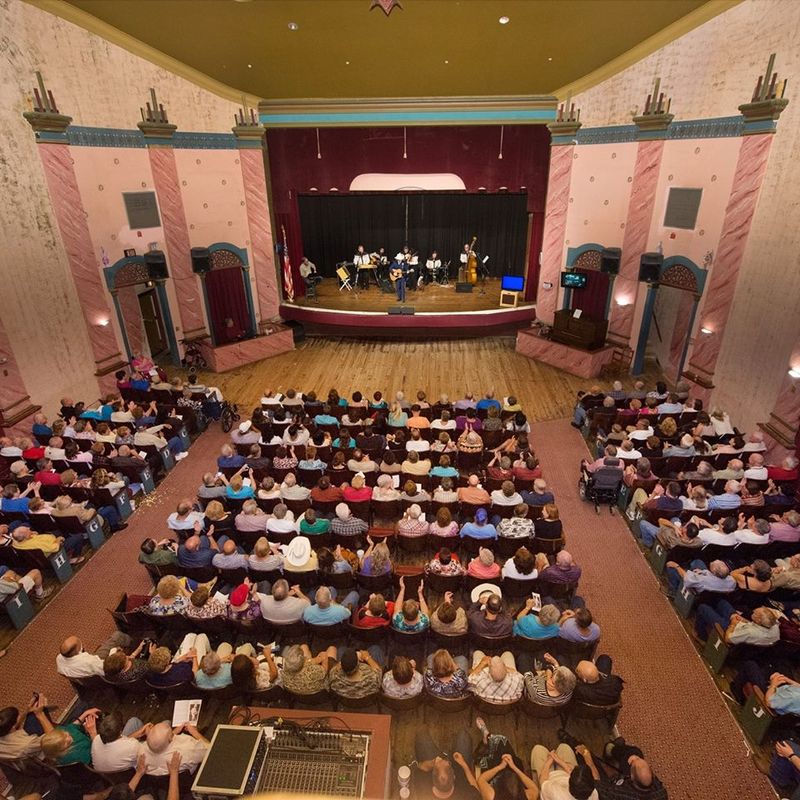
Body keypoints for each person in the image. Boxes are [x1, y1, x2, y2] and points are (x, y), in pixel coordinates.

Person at [412, 726, 480, 799]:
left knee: (422, 735)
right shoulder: (466, 795)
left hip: (435, 762)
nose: (445, 760)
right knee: (463, 736)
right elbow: (475, 788)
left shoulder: (423, 793)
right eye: (448, 764)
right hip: (459, 766)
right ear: (454, 777)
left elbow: (420, 767)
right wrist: (463, 764)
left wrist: (433, 762)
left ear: (432, 778)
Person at [530, 740, 598, 800]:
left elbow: (543, 781)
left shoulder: (555, 793)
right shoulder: (593, 793)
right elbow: (596, 778)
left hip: (548, 778)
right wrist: (559, 760)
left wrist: (549, 761)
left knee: (538, 749)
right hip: (563, 774)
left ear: (569, 783)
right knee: (564, 747)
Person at [141, 720, 209, 775]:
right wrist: (195, 732)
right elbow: (209, 749)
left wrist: (173, 732)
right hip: (189, 776)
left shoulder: (141, 753)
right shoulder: (188, 749)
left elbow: (160, 743)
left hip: (164, 782)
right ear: (171, 738)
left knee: (166, 722)